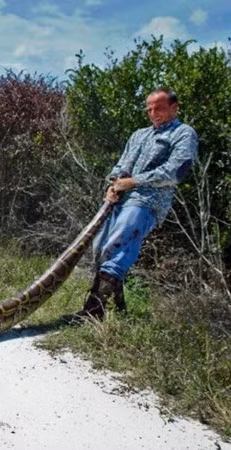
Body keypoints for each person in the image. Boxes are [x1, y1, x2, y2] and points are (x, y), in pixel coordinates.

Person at [73, 88, 199, 321]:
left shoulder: (183, 133)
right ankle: (119, 310)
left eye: (159, 108)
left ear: (174, 107)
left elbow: (176, 171)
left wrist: (134, 182)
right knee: (100, 249)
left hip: (147, 201)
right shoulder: (139, 135)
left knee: (117, 245)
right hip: (119, 199)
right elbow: (122, 164)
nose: (153, 113)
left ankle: (92, 312)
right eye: (149, 108)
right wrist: (112, 184)